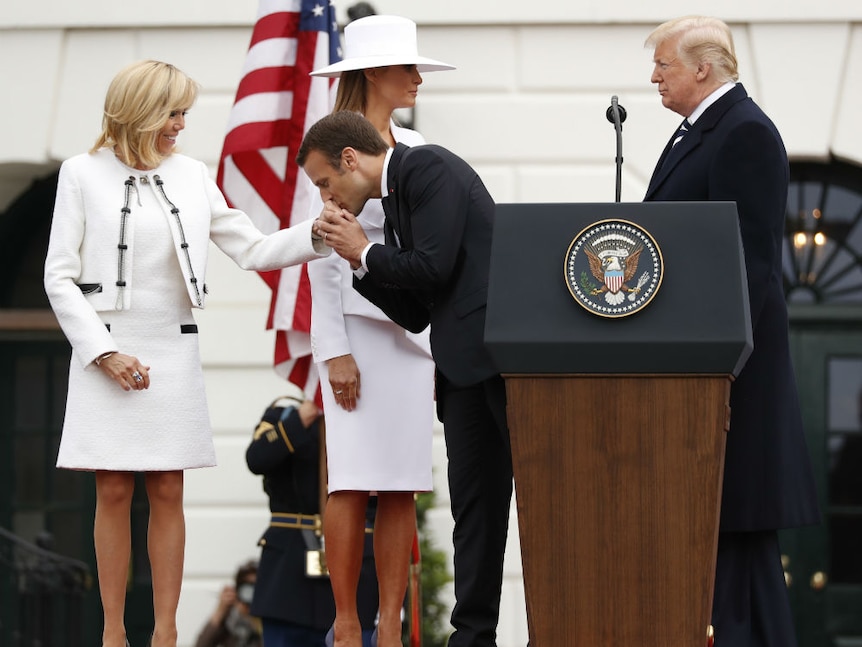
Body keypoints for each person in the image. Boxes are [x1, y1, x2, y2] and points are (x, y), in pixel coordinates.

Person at [43, 59, 329, 647]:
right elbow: (58, 277)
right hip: (106, 352)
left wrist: (319, 231)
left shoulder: (193, 175)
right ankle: (115, 633)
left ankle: (166, 634)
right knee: (113, 489)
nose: (180, 124)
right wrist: (104, 352)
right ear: (141, 110)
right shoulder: (80, 173)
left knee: (168, 488)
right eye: (173, 112)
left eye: (183, 113)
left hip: (171, 349)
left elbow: (251, 249)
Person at [299, 111, 513, 647]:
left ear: (351, 159)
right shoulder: (393, 201)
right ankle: (472, 637)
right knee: (473, 508)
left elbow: (433, 266)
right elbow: (416, 311)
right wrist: (357, 264)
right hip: (461, 368)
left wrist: (365, 251)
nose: (328, 199)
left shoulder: (426, 166)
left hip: (501, 362)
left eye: (326, 183)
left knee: (526, 501)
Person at [643, 16, 820, 646]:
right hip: (696, 372)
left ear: (702, 68)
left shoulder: (744, 132)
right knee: (718, 557)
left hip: (727, 382)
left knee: (738, 561)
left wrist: (715, 366)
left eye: (663, 64)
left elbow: (750, 269)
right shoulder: (694, 133)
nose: (654, 76)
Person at [305, 14, 452, 647]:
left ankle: (388, 627)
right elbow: (317, 254)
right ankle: (345, 622)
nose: (417, 77)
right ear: (372, 73)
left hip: (412, 337)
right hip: (358, 335)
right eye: (406, 66)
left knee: (402, 482)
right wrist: (333, 350)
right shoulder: (326, 148)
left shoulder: (418, 150)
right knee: (353, 477)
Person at [244, 389, 379, 647]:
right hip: (289, 579)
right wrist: (300, 418)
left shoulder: (364, 415)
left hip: (355, 572)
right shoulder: (283, 412)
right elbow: (257, 458)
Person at [194, 560, 262, 647]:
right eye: (247, 587)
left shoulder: (269, 619)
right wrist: (220, 611)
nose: (250, 594)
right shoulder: (231, 620)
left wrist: (255, 620)